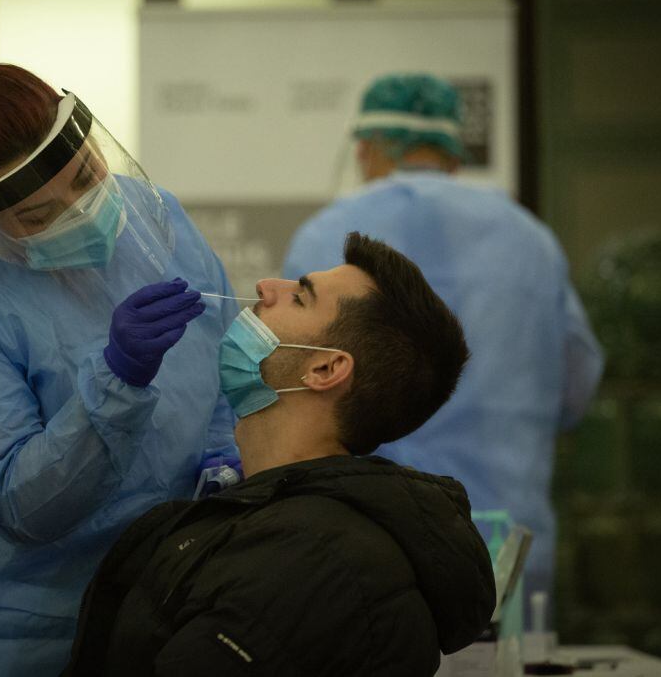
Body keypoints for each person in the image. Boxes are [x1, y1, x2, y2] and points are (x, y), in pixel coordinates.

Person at [0, 30, 240, 676]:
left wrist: (227, 457)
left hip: (154, 605)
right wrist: (118, 382)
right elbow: (20, 505)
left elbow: (220, 359)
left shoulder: (148, 213)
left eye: (88, 177)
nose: (84, 214)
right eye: (38, 216)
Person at [64, 232, 497, 676]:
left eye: (300, 297)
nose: (267, 286)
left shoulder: (314, 562)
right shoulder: (286, 527)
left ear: (325, 368)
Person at [282, 73, 604, 613]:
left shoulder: (327, 238)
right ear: (454, 154)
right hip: (509, 547)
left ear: (365, 149)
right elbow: (577, 384)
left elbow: (293, 385)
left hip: (371, 547)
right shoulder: (530, 239)